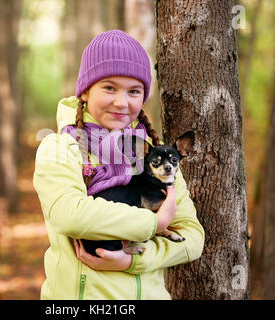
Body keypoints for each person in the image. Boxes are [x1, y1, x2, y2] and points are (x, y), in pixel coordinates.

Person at [33, 30, 204, 300]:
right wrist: (154, 223)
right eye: (109, 87)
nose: (121, 102)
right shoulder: (59, 147)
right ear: (86, 91)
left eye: (133, 91)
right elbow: (71, 215)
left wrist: (133, 261)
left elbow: (193, 238)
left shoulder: (156, 158)